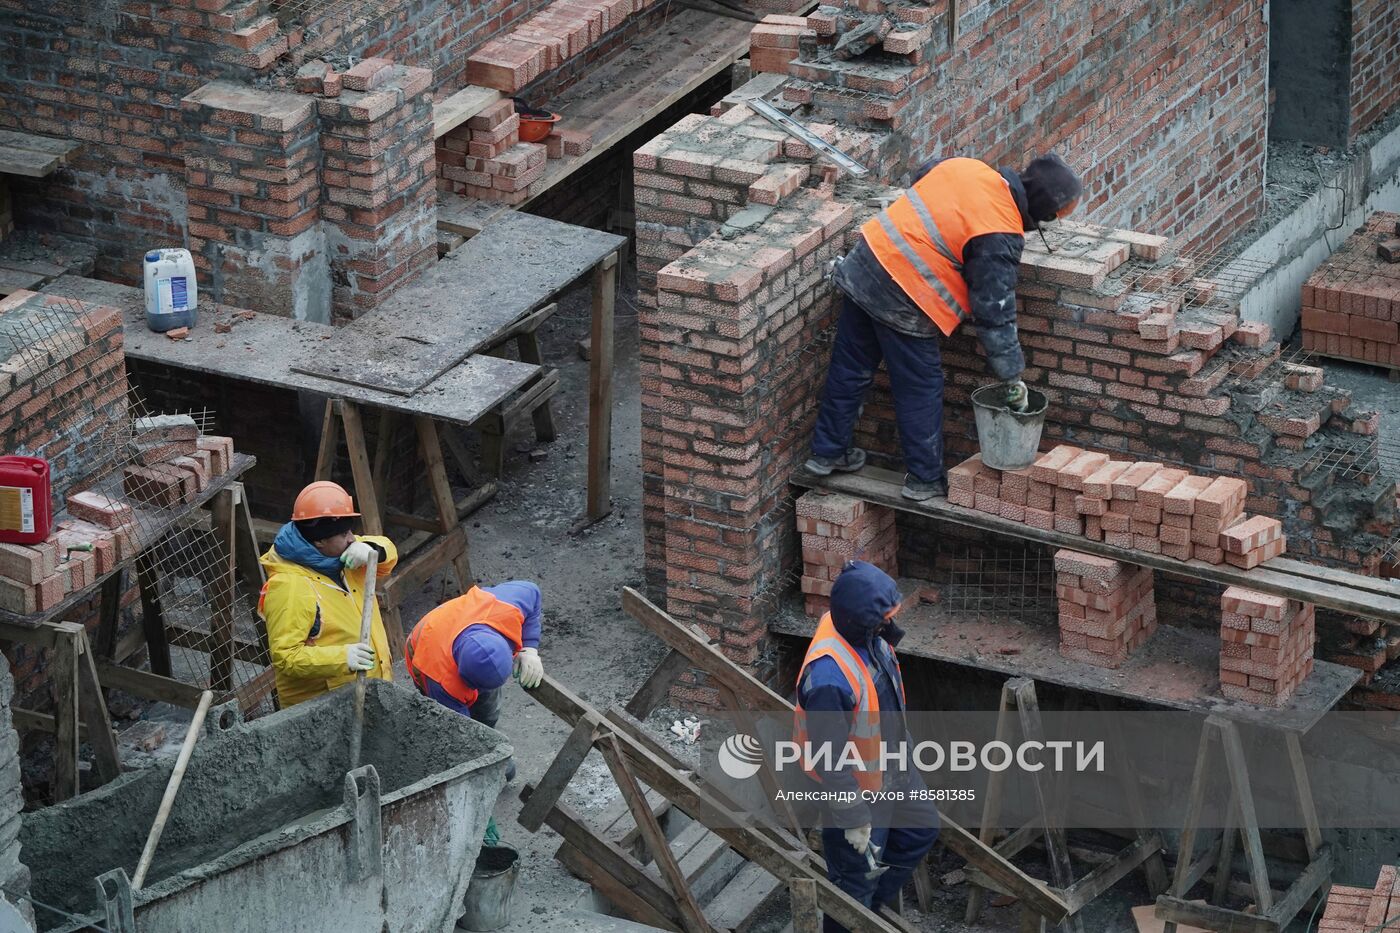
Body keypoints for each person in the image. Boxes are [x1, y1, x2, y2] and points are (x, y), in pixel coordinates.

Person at [806, 153, 1083, 500]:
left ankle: (826, 453)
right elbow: (995, 310)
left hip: (866, 262)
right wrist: (1012, 376)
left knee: (851, 369)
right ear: (1041, 210)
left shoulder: (969, 167)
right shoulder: (1000, 230)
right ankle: (923, 479)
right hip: (906, 296)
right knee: (920, 388)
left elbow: (923, 179)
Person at [794, 561, 940, 931]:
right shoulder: (829, 676)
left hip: (893, 769)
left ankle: (869, 912)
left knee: (920, 830)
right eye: (884, 617)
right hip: (858, 792)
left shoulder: (866, 637)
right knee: (852, 886)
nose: (890, 624)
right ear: (861, 618)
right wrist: (853, 818)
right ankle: (857, 912)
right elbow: (829, 758)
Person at [259, 481, 396, 707]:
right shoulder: (290, 587)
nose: (353, 539)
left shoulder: (339, 554)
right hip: (324, 711)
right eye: (344, 534)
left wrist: (374, 549)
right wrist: (343, 658)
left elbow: (387, 557)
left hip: (364, 694)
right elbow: (287, 658)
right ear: (320, 540)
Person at [404, 581, 546, 780]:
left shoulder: (504, 605)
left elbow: (533, 591)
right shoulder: (440, 681)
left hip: (456, 624)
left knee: (488, 707)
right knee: (451, 730)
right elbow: (462, 730)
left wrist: (529, 648)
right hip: (424, 648)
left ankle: (488, 736)